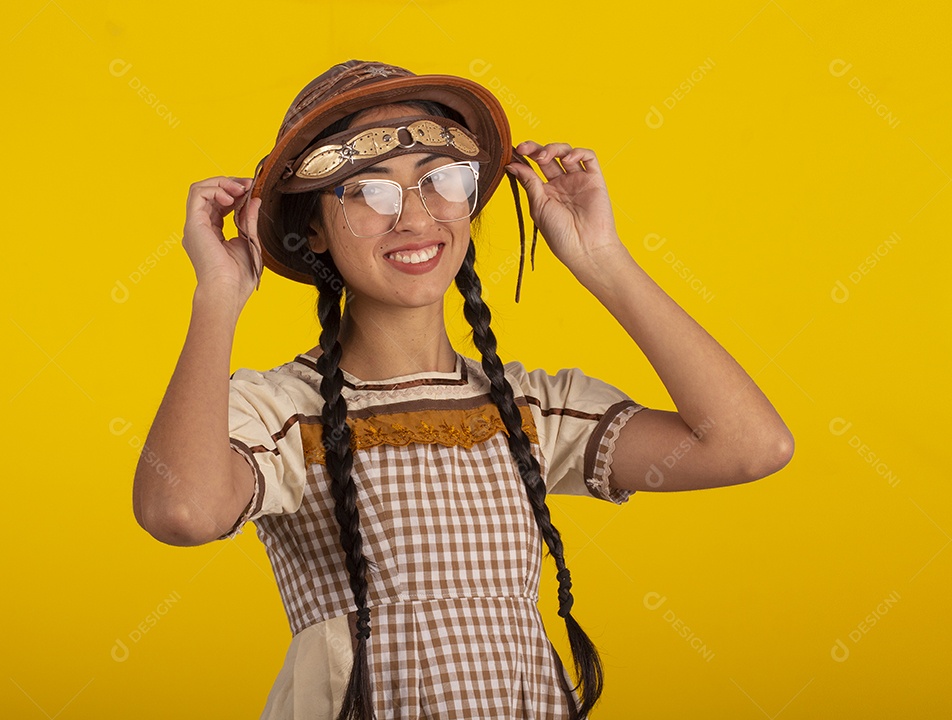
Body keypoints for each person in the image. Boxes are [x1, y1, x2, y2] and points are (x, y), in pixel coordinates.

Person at [133, 59, 794, 719]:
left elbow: (750, 446)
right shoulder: (283, 411)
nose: (415, 219)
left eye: (440, 182)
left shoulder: (531, 411)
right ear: (312, 230)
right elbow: (182, 512)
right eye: (369, 193)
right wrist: (218, 297)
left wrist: (601, 259)